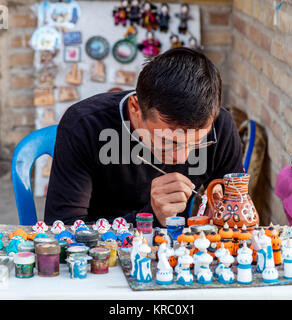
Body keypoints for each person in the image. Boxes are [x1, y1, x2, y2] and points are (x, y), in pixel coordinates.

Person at [44, 47, 244, 227]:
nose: (182, 158)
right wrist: (150, 216)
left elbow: (237, 205)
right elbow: (63, 228)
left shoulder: (220, 126)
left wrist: (226, 213)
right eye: (168, 141)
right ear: (135, 107)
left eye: (198, 141)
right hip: (101, 255)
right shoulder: (84, 125)